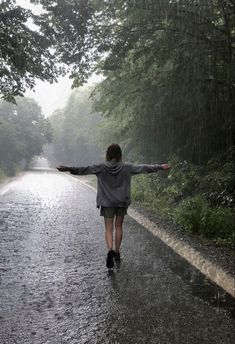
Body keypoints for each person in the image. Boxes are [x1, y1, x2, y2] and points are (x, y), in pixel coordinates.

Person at [57, 143, 171, 269]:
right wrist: (160, 167)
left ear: (107, 154)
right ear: (119, 155)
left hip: (107, 203)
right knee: (118, 227)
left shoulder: (100, 167)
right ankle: (117, 252)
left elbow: (83, 169)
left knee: (108, 228)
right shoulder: (127, 167)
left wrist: (67, 168)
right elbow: (143, 168)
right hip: (122, 202)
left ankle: (110, 250)